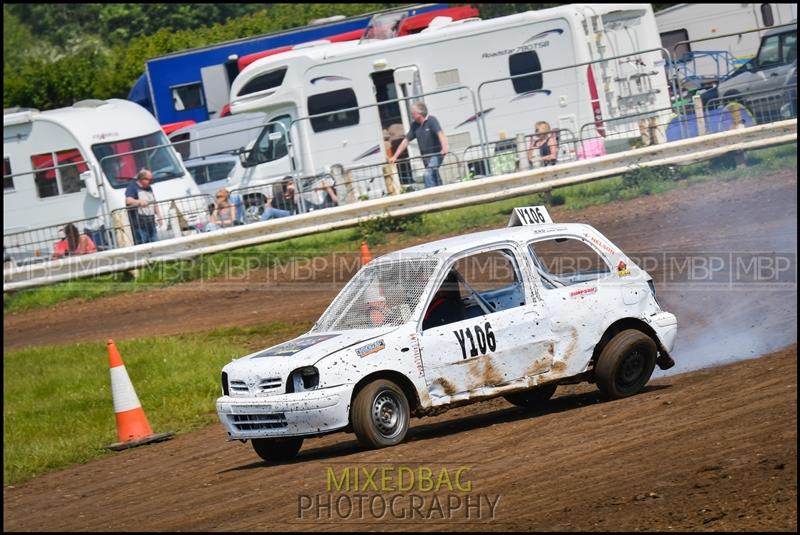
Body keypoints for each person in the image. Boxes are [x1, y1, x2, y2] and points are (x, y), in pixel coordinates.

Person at [390, 102, 449, 188]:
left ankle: (431, 196)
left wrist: (444, 147)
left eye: (412, 113)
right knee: (434, 176)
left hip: (436, 154)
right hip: (426, 157)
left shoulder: (431, 120)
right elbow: (405, 141)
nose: (411, 115)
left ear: (419, 113)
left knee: (428, 175)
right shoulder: (415, 126)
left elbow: (440, 134)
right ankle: (443, 193)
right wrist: (395, 156)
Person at [125, 169, 162, 244]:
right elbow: (128, 200)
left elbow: (154, 202)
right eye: (149, 180)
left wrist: (159, 216)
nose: (151, 182)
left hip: (151, 221)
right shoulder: (132, 187)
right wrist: (139, 202)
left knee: (155, 242)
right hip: (139, 223)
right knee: (142, 243)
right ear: (142, 179)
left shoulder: (149, 188)